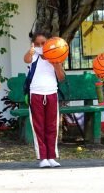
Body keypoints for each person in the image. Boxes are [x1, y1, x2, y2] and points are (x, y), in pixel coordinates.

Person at [23, 31, 65, 168]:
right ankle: (42, 157)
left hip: (52, 94)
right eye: (37, 44)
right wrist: (31, 51)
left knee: (52, 126)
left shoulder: (55, 56)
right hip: (36, 95)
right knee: (38, 127)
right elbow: (26, 59)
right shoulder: (33, 56)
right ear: (33, 45)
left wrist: (56, 64)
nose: (41, 46)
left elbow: (61, 77)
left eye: (43, 43)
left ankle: (52, 156)